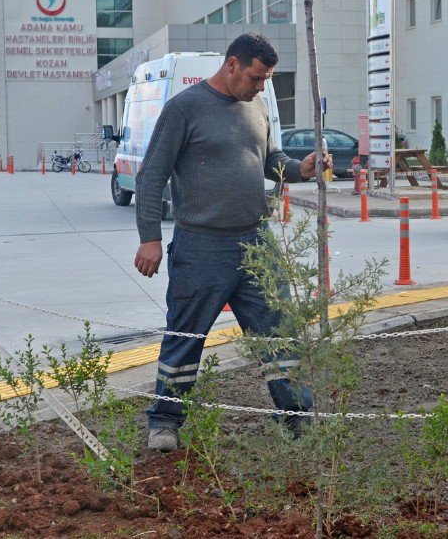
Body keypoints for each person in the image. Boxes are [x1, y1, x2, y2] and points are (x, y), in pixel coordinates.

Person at [133, 32, 332, 451]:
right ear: (232, 65)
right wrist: (150, 238)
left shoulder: (255, 107)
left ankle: (296, 416)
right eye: (257, 77)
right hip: (201, 245)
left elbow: (270, 160)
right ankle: (164, 423)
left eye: (266, 80)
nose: (261, 87)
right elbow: (150, 176)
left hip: (256, 242)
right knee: (185, 336)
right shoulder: (184, 109)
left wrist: (302, 168)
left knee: (280, 330)